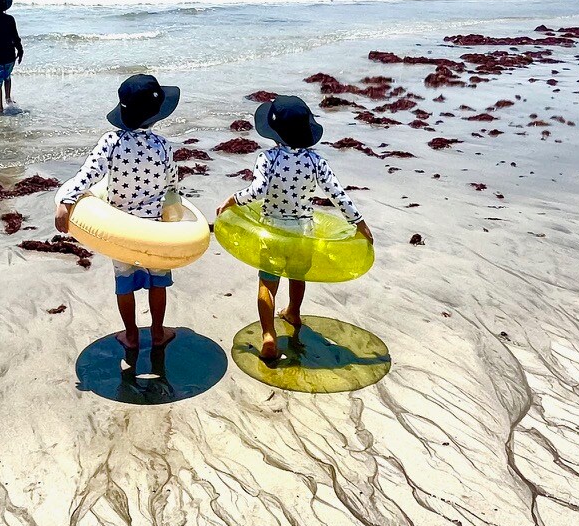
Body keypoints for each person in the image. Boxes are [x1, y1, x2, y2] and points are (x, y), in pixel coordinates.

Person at [218, 95, 373, 361]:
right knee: (298, 276)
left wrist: (234, 199)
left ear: (275, 131)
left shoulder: (267, 157)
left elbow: (258, 191)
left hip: (274, 231)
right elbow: (337, 194)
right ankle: (293, 312)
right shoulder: (316, 161)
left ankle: (268, 334)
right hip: (303, 230)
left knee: (268, 283)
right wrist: (359, 223)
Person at [54, 73, 181, 354]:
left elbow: (88, 175)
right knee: (158, 283)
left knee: (124, 284)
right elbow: (172, 182)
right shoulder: (162, 146)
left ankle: (132, 335)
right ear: (157, 115)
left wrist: (65, 200)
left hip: (120, 230)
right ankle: (158, 332)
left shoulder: (111, 142)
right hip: (154, 231)